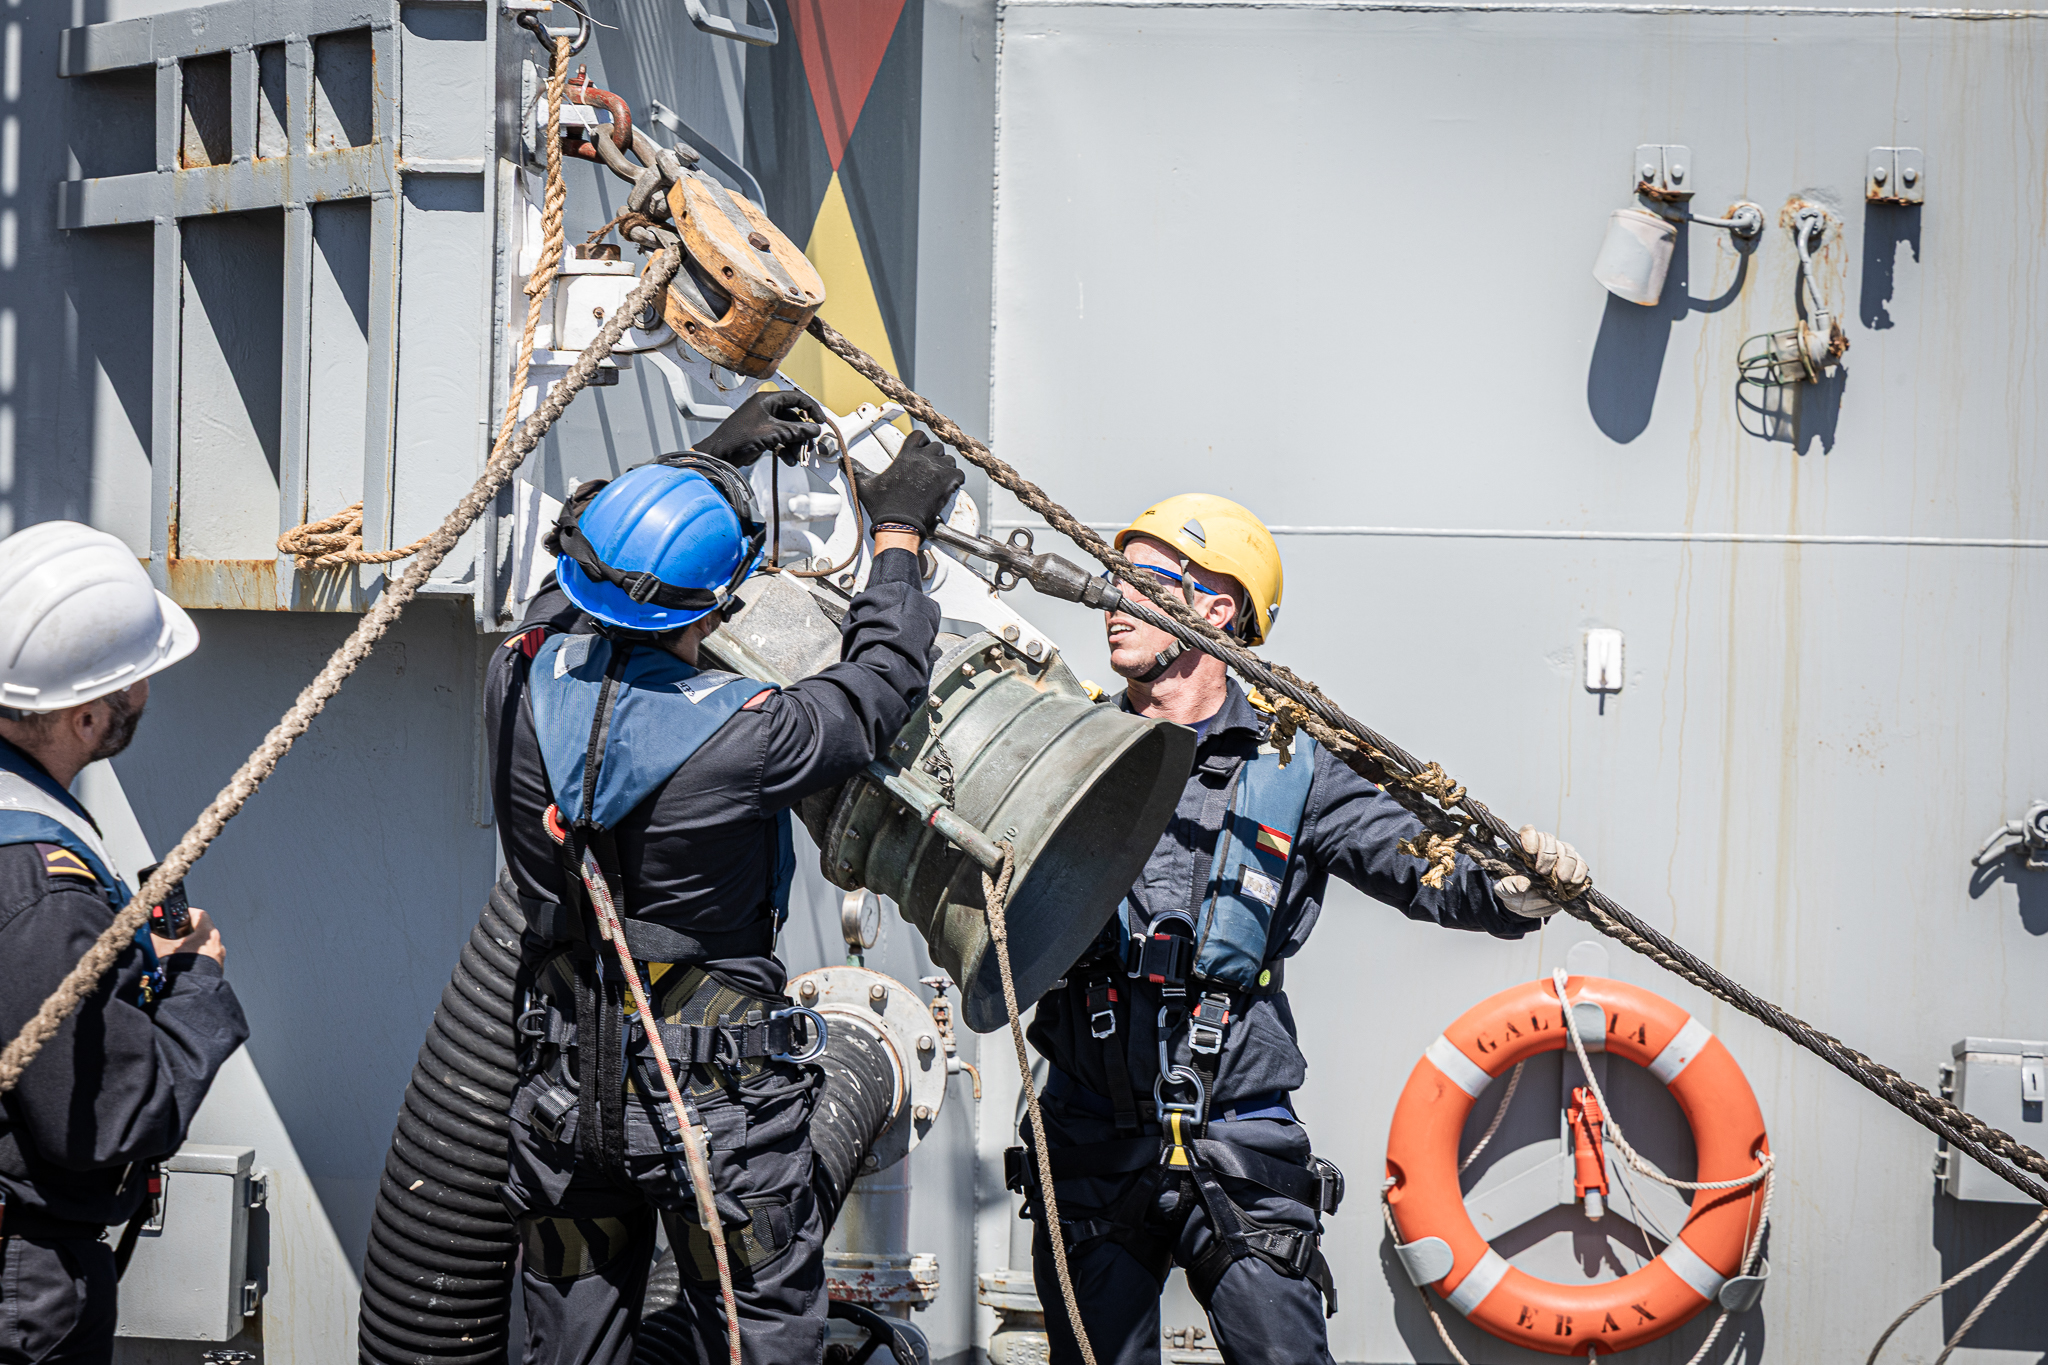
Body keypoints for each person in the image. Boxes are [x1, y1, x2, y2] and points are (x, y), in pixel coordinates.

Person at [1012, 494, 1591, 1365]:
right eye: (1112, 579)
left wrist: (1511, 888)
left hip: (1240, 1133)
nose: (1110, 601)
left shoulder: (1296, 764)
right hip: (1088, 1138)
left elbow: (1416, 865)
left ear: (1217, 609)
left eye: (1140, 582)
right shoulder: (1067, 747)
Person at [484, 390, 964, 1364]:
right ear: (716, 600)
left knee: (568, 1350)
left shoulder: (514, 677)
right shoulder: (751, 734)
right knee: (757, 1344)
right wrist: (899, 534)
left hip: (564, 1103)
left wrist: (709, 457)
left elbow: (582, 580)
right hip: (718, 1123)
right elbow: (877, 686)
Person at [0, 522, 250, 1365]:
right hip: (22, 1286)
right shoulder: (41, 887)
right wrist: (197, 987)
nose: (147, 689)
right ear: (87, 714)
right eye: (133, 677)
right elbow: (104, 1119)